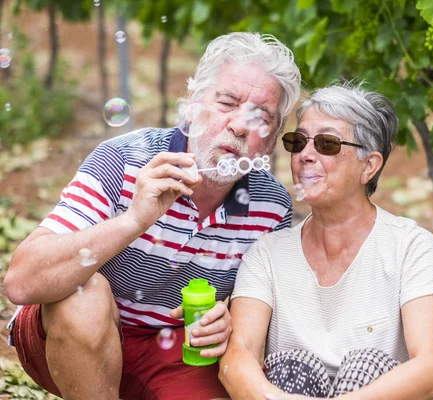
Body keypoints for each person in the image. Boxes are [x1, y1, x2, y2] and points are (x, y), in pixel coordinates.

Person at [4, 32, 301, 400]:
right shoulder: (124, 159)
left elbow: (255, 319)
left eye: (260, 117)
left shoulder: (272, 207)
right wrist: (133, 220)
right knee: (84, 295)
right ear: (193, 103)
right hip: (67, 336)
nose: (239, 125)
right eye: (227, 102)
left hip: (170, 351)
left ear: (271, 139)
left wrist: (229, 321)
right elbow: (20, 282)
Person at [219, 83, 433, 400]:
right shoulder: (267, 254)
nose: (305, 155)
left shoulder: (411, 247)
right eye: (299, 141)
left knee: (367, 365)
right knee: (288, 367)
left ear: (369, 166)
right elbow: (239, 355)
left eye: (327, 143)